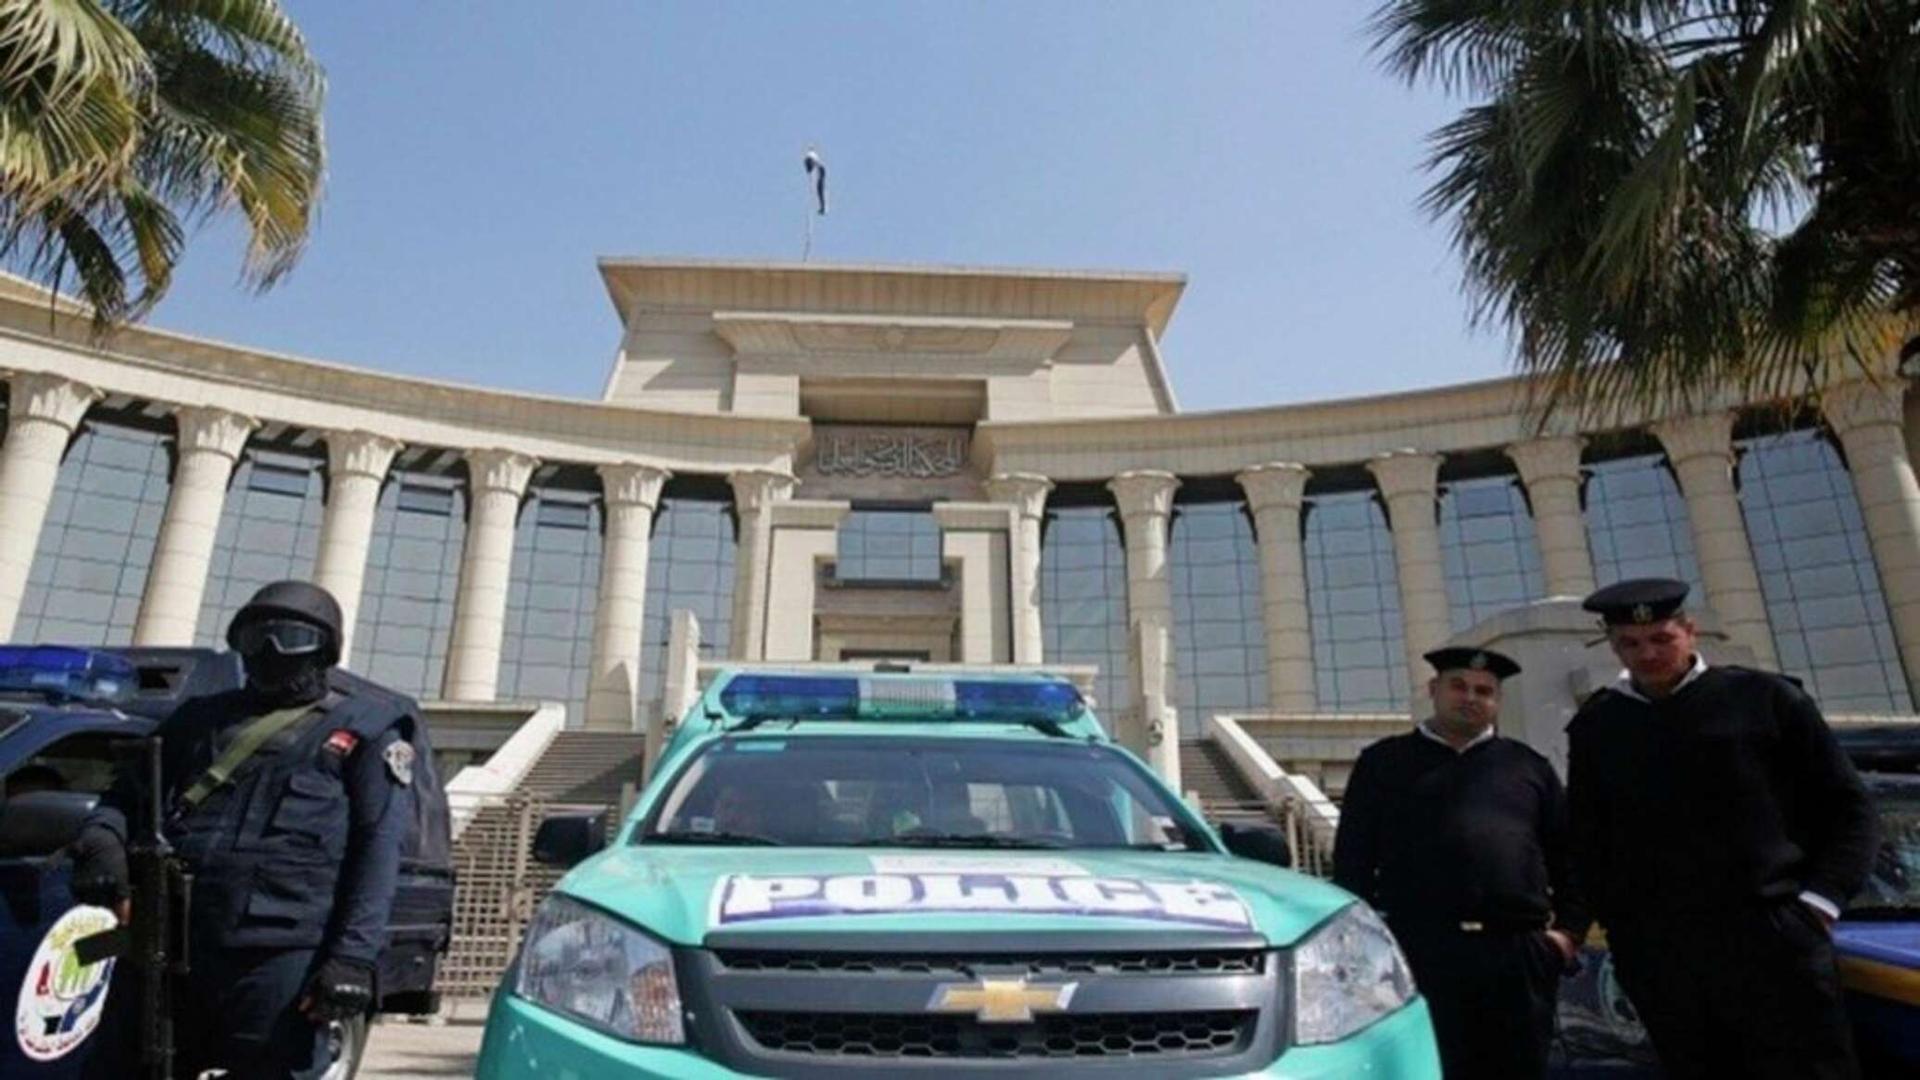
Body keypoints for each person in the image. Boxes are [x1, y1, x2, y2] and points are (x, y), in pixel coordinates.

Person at [67, 580, 422, 1079]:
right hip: (166, 944)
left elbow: (377, 848)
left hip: (276, 957)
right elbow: (125, 799)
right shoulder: (197, 721)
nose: (271, 650)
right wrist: (101, 839)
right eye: (257, 636)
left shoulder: (365, 729)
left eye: (292, 637)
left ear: (325, 650)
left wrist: (353, 959)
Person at [1566, 578, 1878, 1080]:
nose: (1648, 654)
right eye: (1631, 643)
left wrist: (1817, 907)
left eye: (1661, 638)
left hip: (1773, 941)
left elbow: (1851, 810)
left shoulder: (1766, 699)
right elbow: (1588, 837)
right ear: (1614, 647)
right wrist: (1626, 933)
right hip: (1663, 957)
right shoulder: (1597, 726)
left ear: (1689, 632)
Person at [1332, 646, 1587, 1079]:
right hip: (1418, 952)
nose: (1471, 698)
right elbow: (1352, 859)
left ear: (1497, 701)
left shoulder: (1528, 766)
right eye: (1459, 686)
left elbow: (1569, 858)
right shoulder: (1383, 763)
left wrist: (1567, 935)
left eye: (1484, 691)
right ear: (1434, 689)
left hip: (1516, 955)